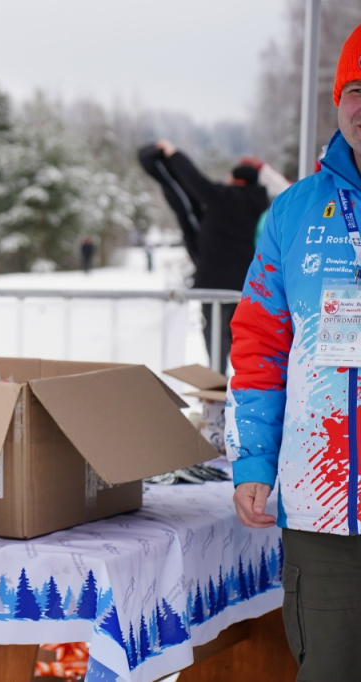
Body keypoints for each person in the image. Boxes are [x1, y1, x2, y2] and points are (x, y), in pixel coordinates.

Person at [226, 23, 361, 681]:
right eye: (356, 89)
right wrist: (253, 455)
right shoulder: (294, 213)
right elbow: (258, 344)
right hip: (323, 509)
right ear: (338, 102)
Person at [137, 140, 270, 374]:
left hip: (215, 284)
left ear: (236, 180)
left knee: (215, 337)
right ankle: (244, 387)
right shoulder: (262, 205)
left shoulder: (223, 198)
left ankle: (216, 386)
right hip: (249, 286)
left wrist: (174, 153)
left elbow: (194, 180)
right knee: (246, 340)